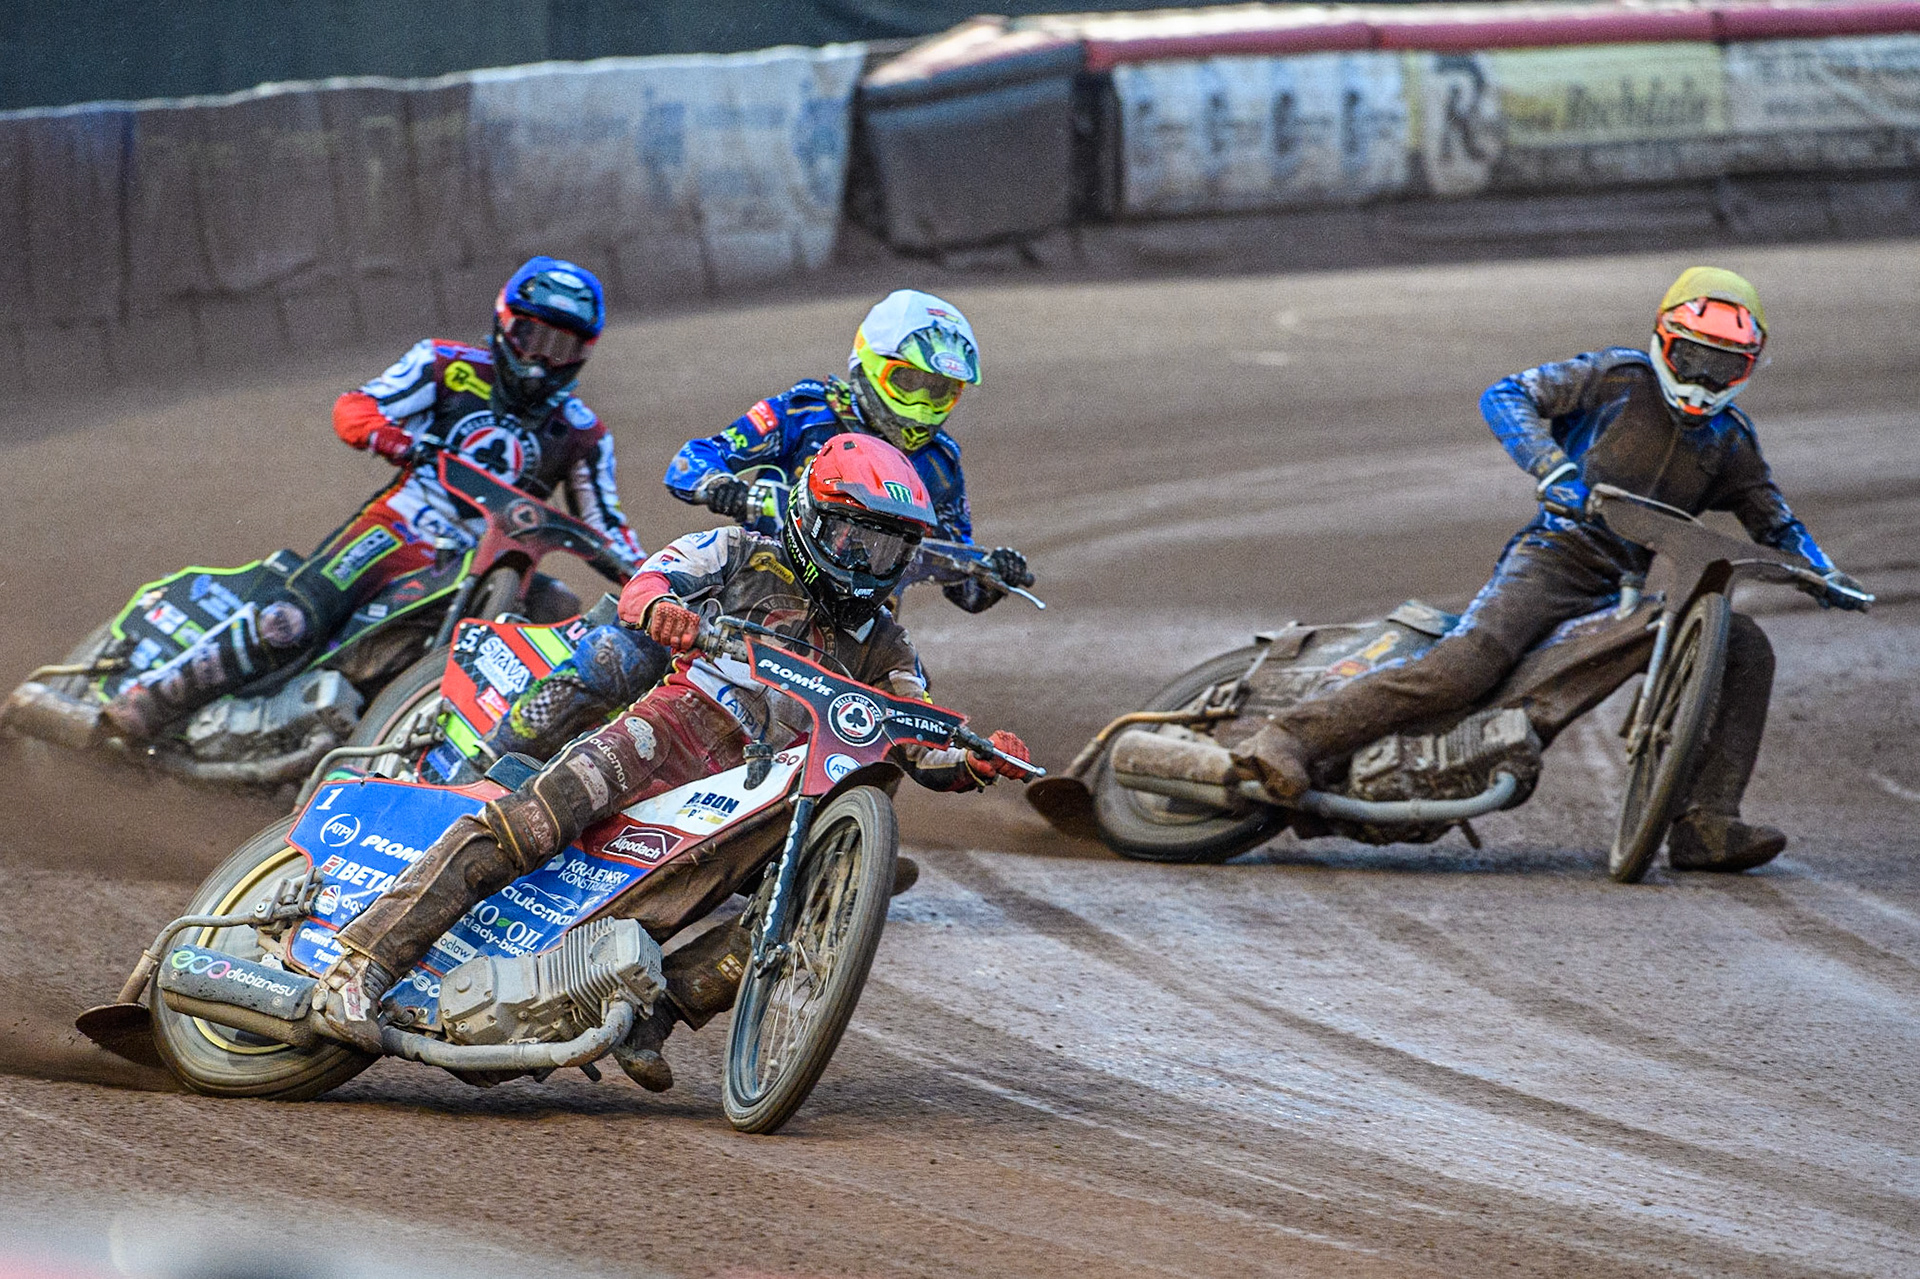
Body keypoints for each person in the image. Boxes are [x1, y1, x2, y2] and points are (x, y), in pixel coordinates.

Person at [309, 434, 1033, 1090]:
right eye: (853, 537)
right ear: (813, 519)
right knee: (528, 823)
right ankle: (363, 960)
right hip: (676, 726)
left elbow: (919, 729)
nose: (867, 563)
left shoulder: (888, 645)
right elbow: (650, 581)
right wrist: (662, 610)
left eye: (887, 550)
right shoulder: (742, 551)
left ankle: (652, 1016)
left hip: (765, 794)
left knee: (792, 912)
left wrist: (975, 756)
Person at [1233, 267, 1868, 873]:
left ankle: (1707, 822)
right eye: (1692, 357)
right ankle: (1288, 737)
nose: (1704, 377)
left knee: (1746, 645)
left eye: (1723, 365)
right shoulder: (1618, 376)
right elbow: (1506, 394)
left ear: (1747, 368)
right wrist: (1553, 470)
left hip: (1622, 587)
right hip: (1552, 559)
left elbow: (1775, 521)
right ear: (1663, 340)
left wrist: (1822, 572)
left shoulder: (1731, 441)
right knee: (1467, 666)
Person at [100, 256, 646, 742]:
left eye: (563, 347)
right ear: (505, 322)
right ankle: (149, 702)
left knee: (559, 608)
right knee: (288, 622)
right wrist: (396, 439)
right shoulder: (446, 365)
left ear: (583, 354)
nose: (542, 360)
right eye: (533, 337)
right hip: (404, 525)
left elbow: (606, 524)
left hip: (490, 557)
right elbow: (356, 407)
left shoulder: (582, 432)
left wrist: (652, 580)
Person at [480, 287, 1033, 762]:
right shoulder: (804, 411)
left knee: (902, 721)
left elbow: (960, 580)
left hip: (852, 627)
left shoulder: (940, 463)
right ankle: (486, 767)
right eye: (910, 382)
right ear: (868, 363)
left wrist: (989, 574)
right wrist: (727, 488)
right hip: (743, 591)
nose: (923, 405)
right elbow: (692, 461)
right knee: (618, 655)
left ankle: (840, 843)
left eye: (940, 391)